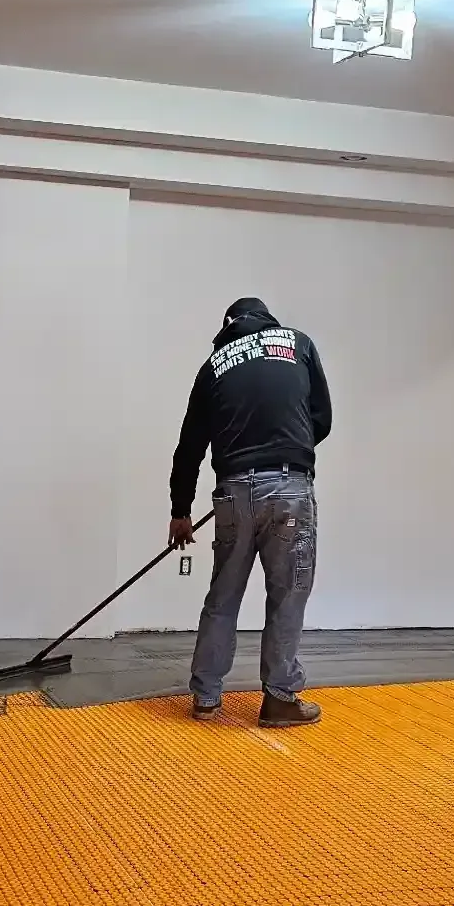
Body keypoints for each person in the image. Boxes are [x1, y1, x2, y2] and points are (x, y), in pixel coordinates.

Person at [168, 297, 332, 726]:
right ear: (267, 319)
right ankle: (279, 699)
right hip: (289, 486)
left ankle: (206, 697)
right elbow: (322, 418)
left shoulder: (214, 365)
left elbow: (189, 447)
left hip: (233, 489)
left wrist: (180, 511)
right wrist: (285, 447)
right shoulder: (299, 344)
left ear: (228, 326)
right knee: (287, 595)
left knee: (222, 597)